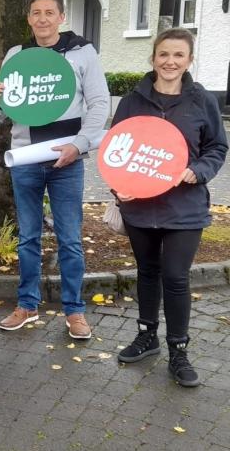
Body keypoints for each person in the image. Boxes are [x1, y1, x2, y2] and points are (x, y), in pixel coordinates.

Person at [0, 0, 109, 339]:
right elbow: (2, 112)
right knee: (28, 238)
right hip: (26, 158)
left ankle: (75, 311)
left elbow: (100, 103)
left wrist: (79, 145)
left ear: (61, 17)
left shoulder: (82, 51)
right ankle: (27, 304)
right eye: (36, 12)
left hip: (67, 158)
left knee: (70, 239)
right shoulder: (18, 54)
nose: (42, 18)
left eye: (49, 12)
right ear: (29, 19)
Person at [110, 28, 227, 386]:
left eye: (178, 55)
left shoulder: (202, 100)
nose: (170, 62)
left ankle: (179, 350)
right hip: (141, 208)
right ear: (153, 58)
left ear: (189, 60)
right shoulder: (132, 101)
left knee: (175, 277)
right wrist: (119, 187)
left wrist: (198, 171)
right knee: (146, 272)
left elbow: (217, 148)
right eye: (164, 54)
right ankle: (147, 336)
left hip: (184, 208)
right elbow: (116, 150)